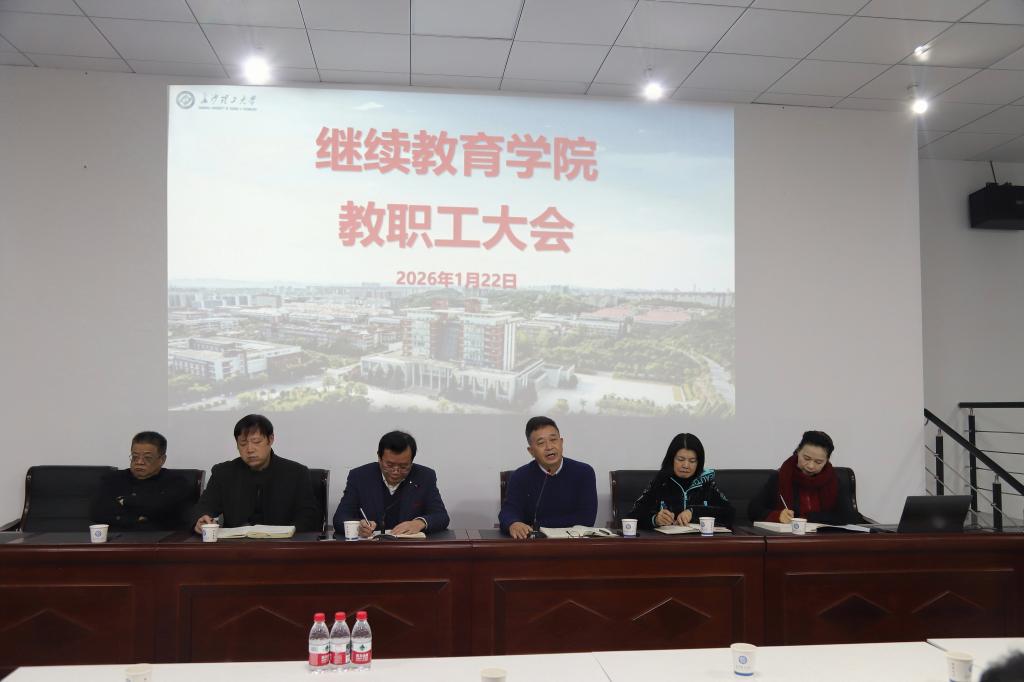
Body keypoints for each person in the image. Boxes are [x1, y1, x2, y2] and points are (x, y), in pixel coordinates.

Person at [191, 414, 321, 533]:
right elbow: (203, 508)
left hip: (281, 545)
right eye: (243, 443)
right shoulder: (223, 473)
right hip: (236, 546)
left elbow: (308, 517)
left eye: (256, 442)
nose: (250, 449)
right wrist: (201, 520)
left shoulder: (296, 473)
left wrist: (287, 534)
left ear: (270, 439)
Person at [333, 430, 449, 538]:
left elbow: (441, 516)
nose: (396, 471)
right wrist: (358, 526)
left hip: (409, 548)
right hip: (371, 548)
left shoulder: (425, 476)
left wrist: (419, 522)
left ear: (412, 461)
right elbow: (340, 518)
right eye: (389, 465)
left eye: (403, 466)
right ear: (379, 458)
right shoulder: (360, 476)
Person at [499, 416, 597, 540]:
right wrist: (513, 523)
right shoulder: (520, 476)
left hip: (573, 543)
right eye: (541, 443)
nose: (549, 447)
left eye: (553, 440)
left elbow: (587, 518)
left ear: (561, 442)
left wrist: (538, 525)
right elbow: (508, 511)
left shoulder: (583, 472)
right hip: (533, 545)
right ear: (531, 451)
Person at [748, 430, 860, 525]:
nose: (811, 466)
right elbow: (753, 510)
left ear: (827, 460)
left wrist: (809, 518)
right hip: (789, 539)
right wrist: (777, 516)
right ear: (798, 452)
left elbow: (850, 516)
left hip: (824, 539)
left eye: (818, 462)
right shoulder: (780, 477)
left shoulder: (834, 480)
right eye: (806, 458)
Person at [627, 433, 734, 530]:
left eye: (692, 461)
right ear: (671, 459)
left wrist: (694, 512)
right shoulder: (660, 482)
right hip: (668, 543)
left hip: (700, 542)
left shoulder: (706, 482)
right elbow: (632, 516)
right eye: (680, 459)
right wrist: (655, 519)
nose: (686, 465)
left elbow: (730, 514)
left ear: (699, 463)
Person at [90, 431, 192, 531]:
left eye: (147, 458)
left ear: (162, 460)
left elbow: (161, 510)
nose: (139, 462)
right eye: (135, 457)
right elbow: (98, 513)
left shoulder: (175, 482)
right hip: (117, 537)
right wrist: (137, 519)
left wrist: (125, 501)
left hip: (157, 538)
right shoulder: (112, 479)